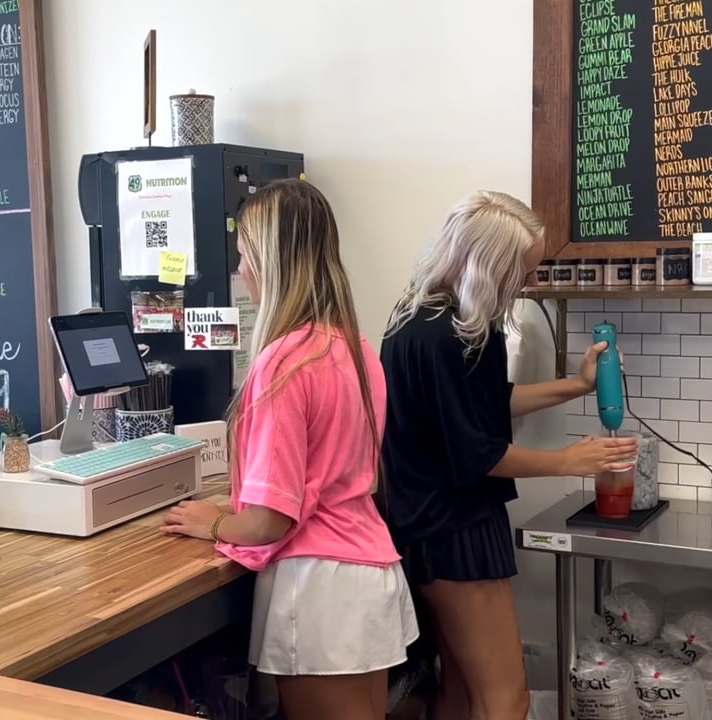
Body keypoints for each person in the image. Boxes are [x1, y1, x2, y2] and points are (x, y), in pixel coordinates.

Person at [161, 179, 418, 720]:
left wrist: (213, 522)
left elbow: (269, 521)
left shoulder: (284, 362)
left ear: (268, 261)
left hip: (320, 590)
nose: (241, 271)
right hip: (371, 573)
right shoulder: (356, 348)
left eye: (244, 256)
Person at [380, 190, 639, 720]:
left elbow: (483, 404)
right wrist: (570, 461)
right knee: (505, 698)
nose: (525, 283)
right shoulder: (456, 335)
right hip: (456, 531)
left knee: (459, 691)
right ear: (487, 264)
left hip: (423, 526)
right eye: (520, 272)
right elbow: (479, 453)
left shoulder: (416, 318)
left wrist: (576, 385)